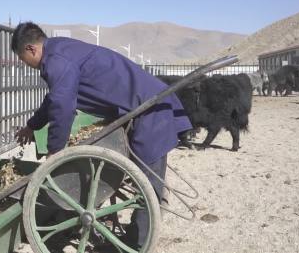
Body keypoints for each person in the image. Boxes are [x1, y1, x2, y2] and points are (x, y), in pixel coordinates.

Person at [12, 22, 192, 248]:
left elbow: (62, 106)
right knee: (147, 182)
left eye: (21, 58)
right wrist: (32, 126)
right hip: (145, 105)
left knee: (148, 185)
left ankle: (138, 245)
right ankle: (136, 237)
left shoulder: (56, 60)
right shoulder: (60, 51)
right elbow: (55, 98)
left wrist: (55, 153)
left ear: (31, 49)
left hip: (149, 110)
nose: (24, 64)